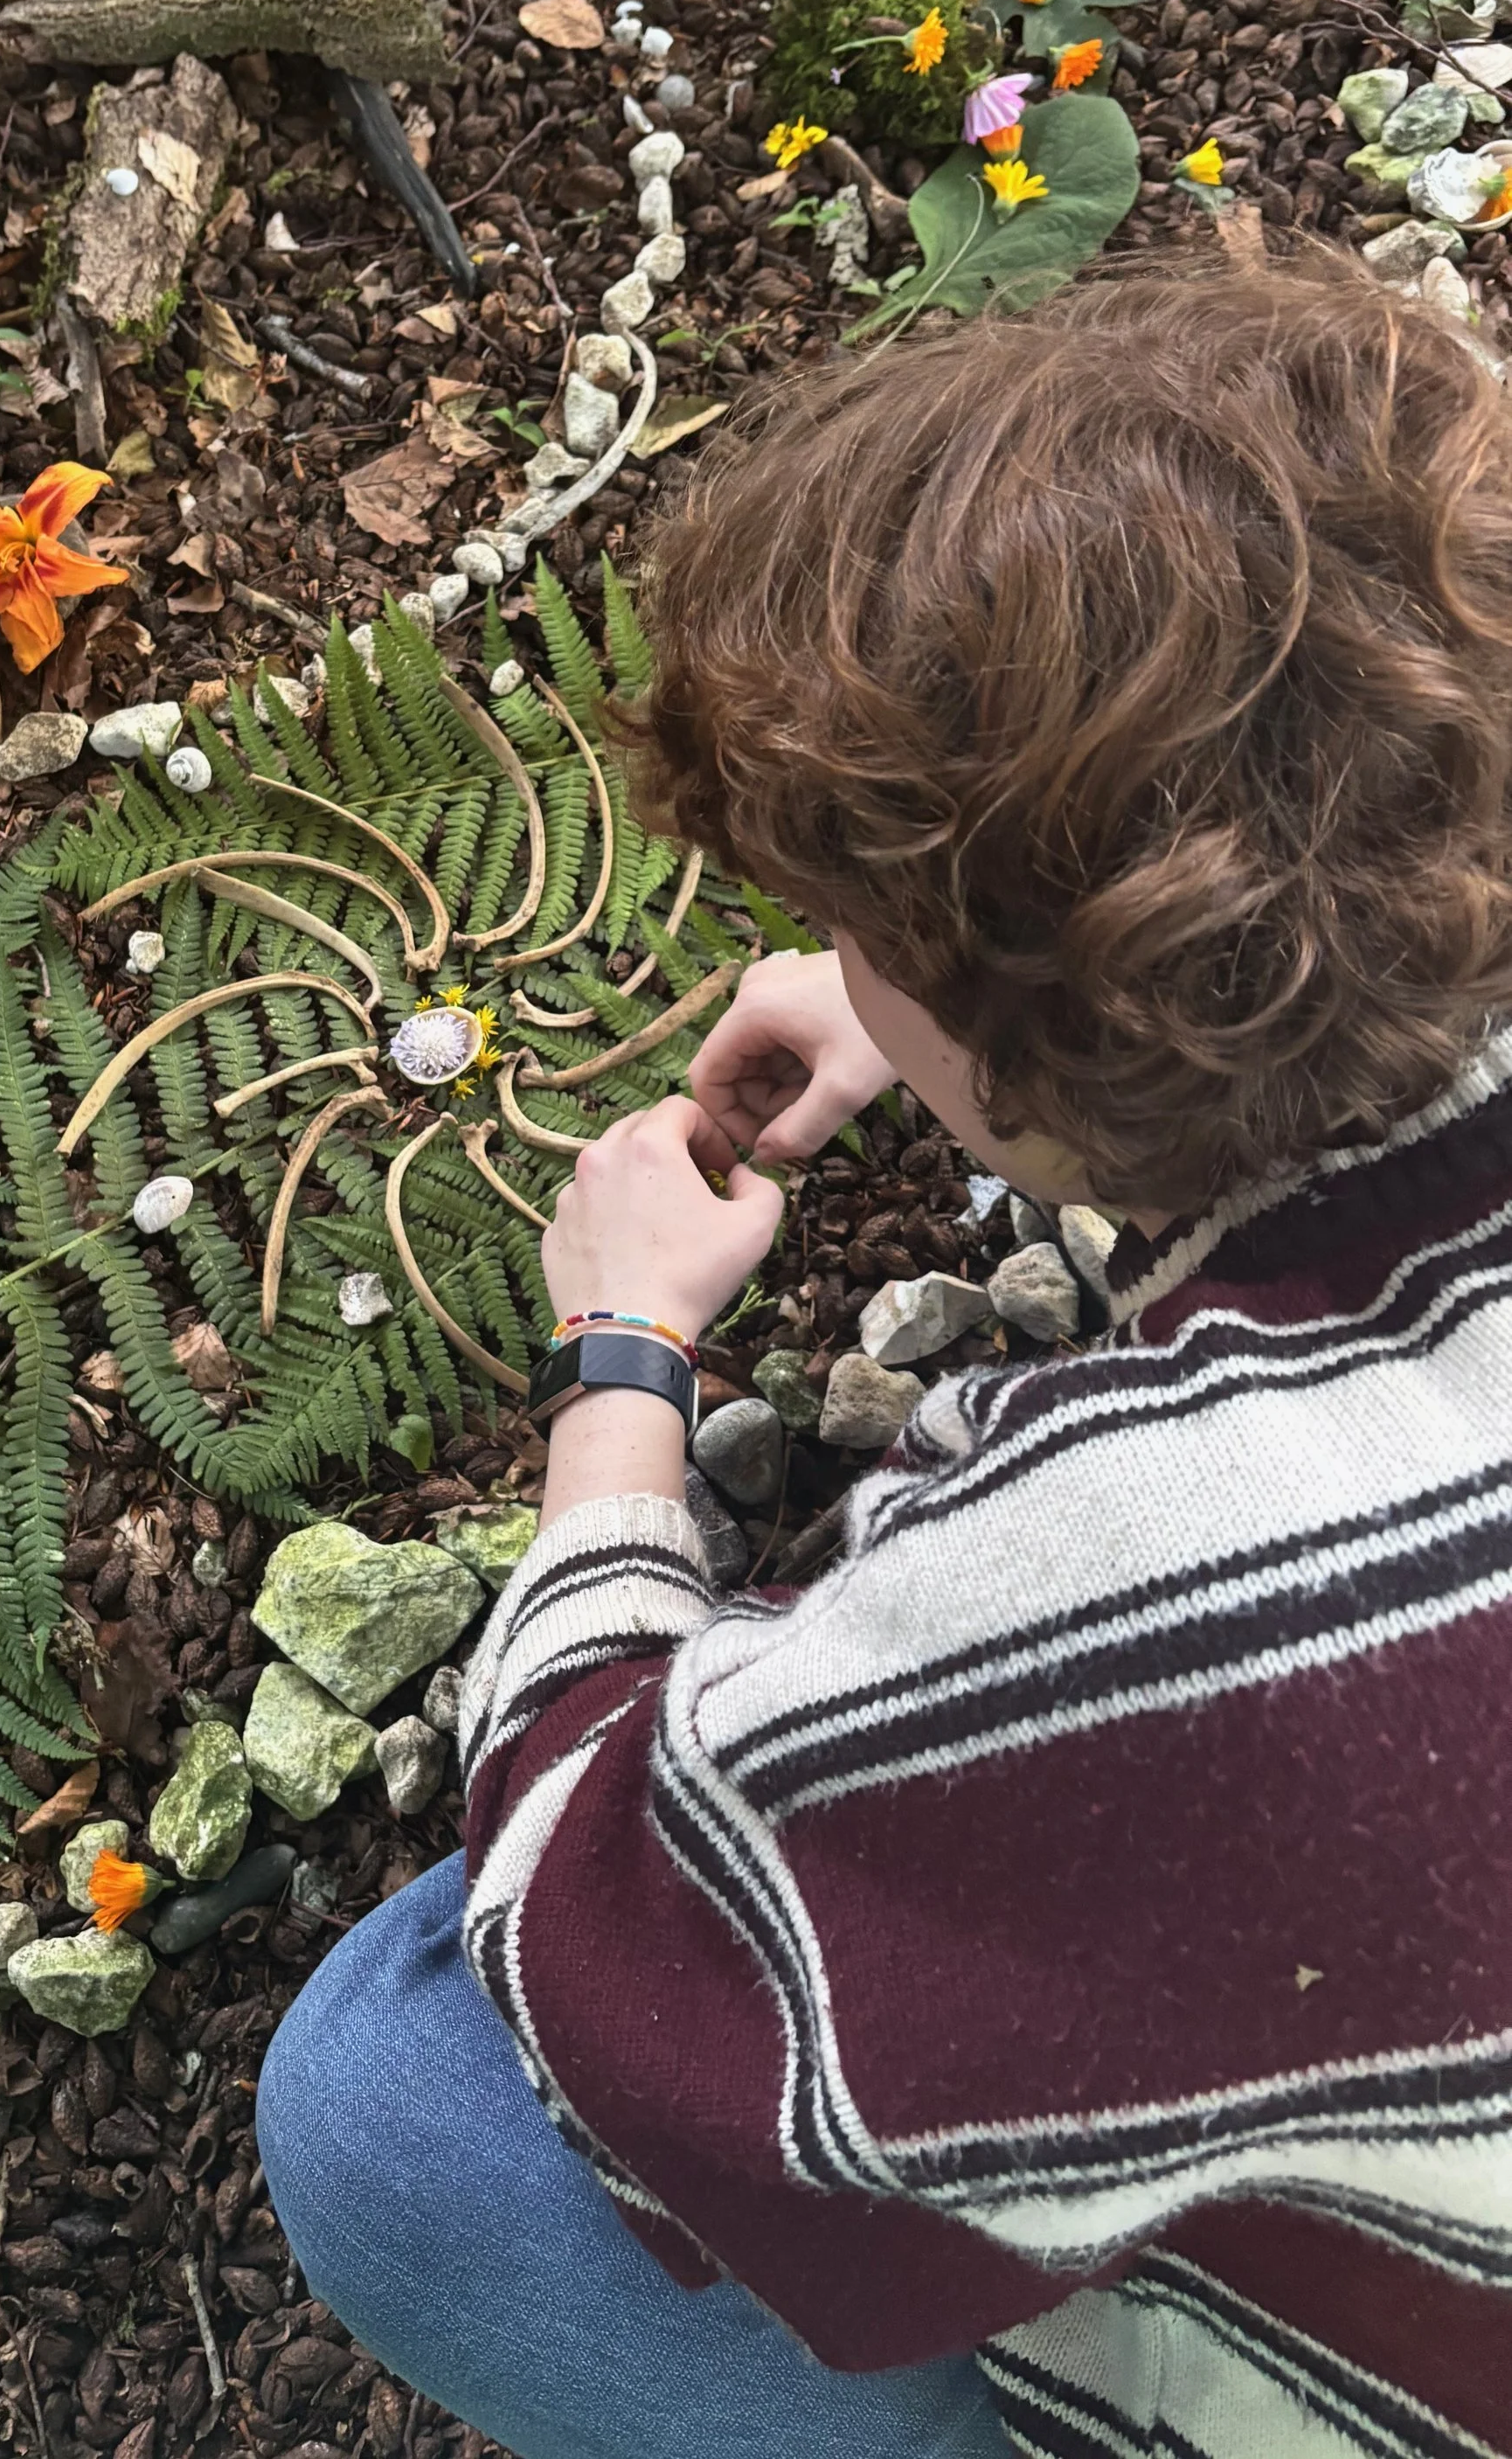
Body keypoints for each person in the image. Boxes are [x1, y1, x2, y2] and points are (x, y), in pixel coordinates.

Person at [255, 259, 1512, 2459]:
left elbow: (614, 1924)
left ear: (1068, 1014)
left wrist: (622, 1368)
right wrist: (959, 1014)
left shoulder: (1137, 1554)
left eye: (860, 930)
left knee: (395, 2099)